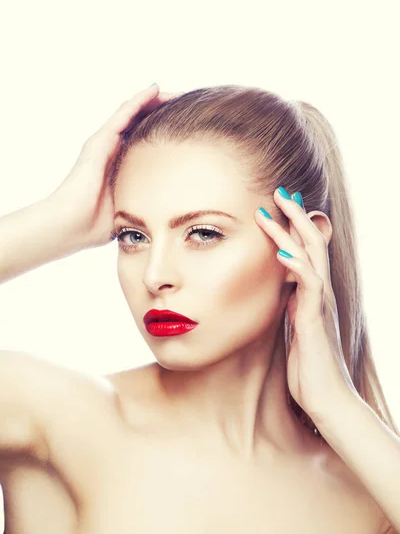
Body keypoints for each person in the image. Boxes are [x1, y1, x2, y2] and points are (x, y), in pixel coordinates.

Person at [0, 83, 396, 533]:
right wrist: (57, 221)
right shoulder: (59, 416)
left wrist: (336, 405)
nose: (155, 275)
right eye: (133, 236)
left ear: (300, 244)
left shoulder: (369, 494)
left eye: (203, 234)